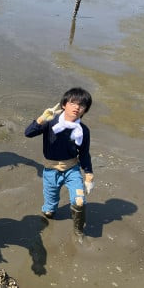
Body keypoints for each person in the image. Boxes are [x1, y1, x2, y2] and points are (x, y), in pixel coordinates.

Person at [24, 87, 94, 240]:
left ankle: (79, 231)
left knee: (79, 201)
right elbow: (28, 133)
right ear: (64, 104)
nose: (77, 107)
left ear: (85, 110)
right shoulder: (50, 121)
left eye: (82, 105)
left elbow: (84, 153)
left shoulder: (83, 131)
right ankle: (50, 209)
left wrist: (88, 174)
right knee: (49, 211)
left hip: (72, 169)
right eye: (73, 103)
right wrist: (41, 119)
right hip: (51, 169)